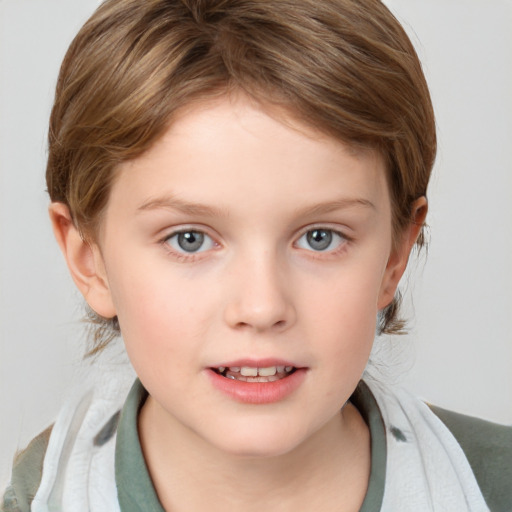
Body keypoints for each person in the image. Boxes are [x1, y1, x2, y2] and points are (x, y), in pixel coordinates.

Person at [2, 0, 511, 511]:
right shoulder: (44, 496)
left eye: (320, 237)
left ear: (396, 254)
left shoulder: (492, 486)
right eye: (190, 239)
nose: (262, 307)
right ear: (89, 259)